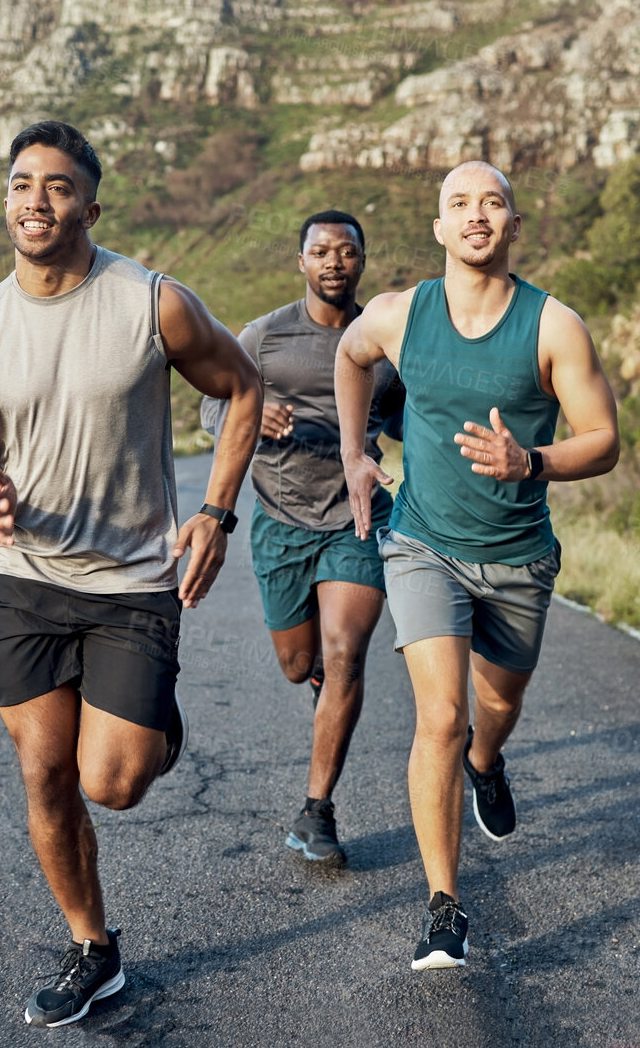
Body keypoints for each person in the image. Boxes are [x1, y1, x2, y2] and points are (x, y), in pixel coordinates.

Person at [0, 121, 262, 1027]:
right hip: (24, 582)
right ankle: (93, 949)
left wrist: (215, 511)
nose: (34, 199)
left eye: (55, 186)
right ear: (4, 199)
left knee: (111, 783)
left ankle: (154, 723)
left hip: (129, 584)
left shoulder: (151, 302)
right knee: (44, 772)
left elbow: (241, 387)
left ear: (89, 203)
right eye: (19, 183)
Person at [333, 160, 619, 970]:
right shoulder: (397, 314)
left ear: (512, 224)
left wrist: (529, 462)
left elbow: (603, 439)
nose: (475, 216)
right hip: (422, 545)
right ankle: (443, 907)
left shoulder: (552, 326)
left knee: (493, 710)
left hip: (519, 558)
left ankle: (486, 764)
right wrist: (358, 454)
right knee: (439, 717)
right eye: (458, 204)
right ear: (437, 226)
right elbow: (350, 358)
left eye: (491, 203)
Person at [200, 210, 404, 868]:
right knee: (299, 664)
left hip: (358, 516)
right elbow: (213, 405)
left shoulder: (382, 339)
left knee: (346, 651)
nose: (335, 262)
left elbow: (405, 419)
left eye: (347, 251)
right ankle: (316, 674)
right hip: (281, 519)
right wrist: (254, 415)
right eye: (321, 251)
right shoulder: (263, 336)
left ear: (362, 262)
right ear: (302, 262)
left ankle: (316, 812)